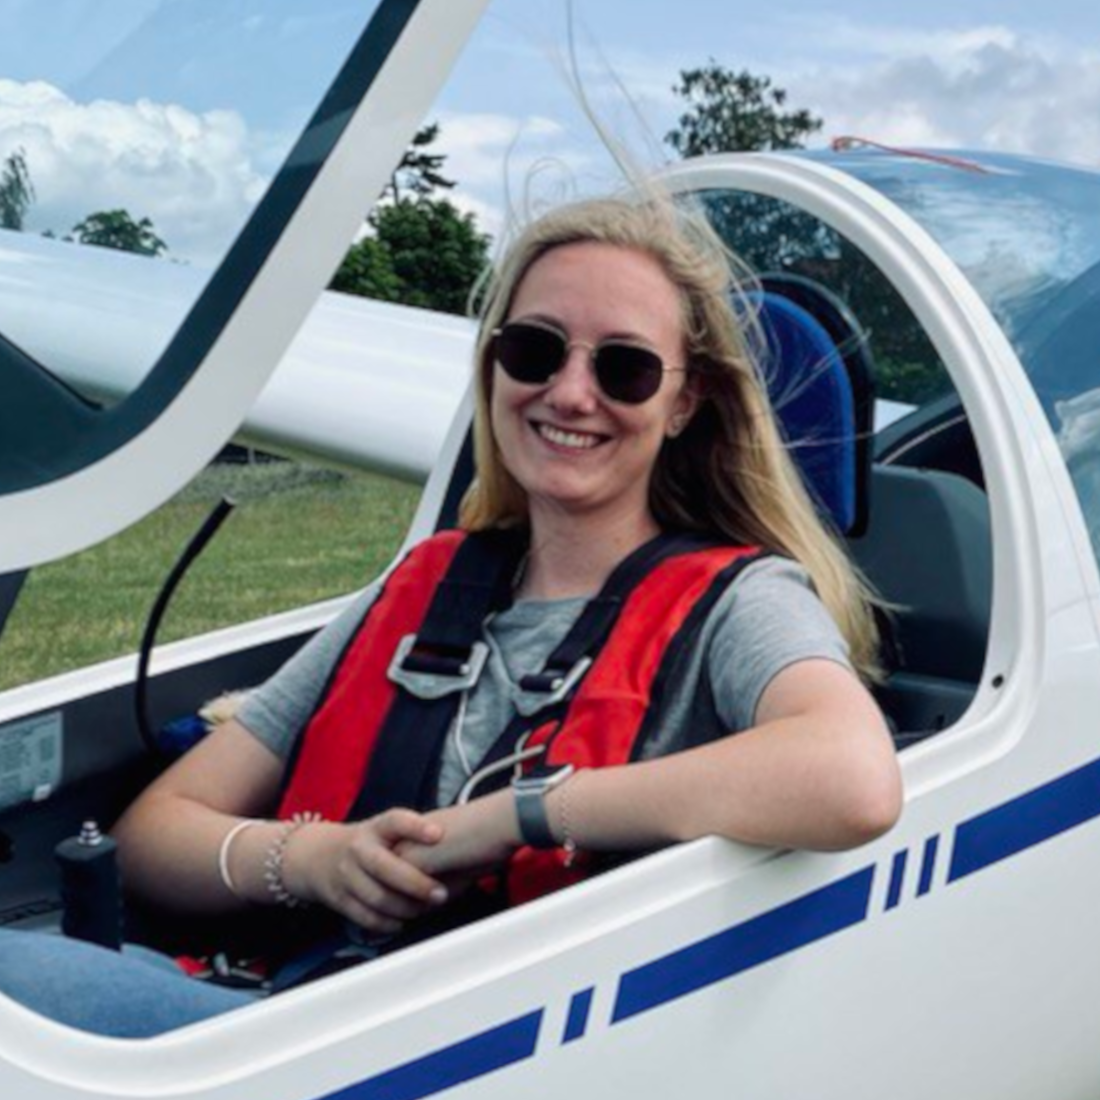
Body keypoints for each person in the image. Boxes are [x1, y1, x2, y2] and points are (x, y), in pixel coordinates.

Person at [0, 194, 902, 1037]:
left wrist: (519, 816)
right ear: (493, 367)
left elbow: (853, 778)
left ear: (683, 404)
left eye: (624, 368)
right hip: (289, 1014)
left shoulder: (742, 600)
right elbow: (153, 834)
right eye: (535, 351)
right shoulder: (426, 586)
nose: (571, 393)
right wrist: (314, 860)